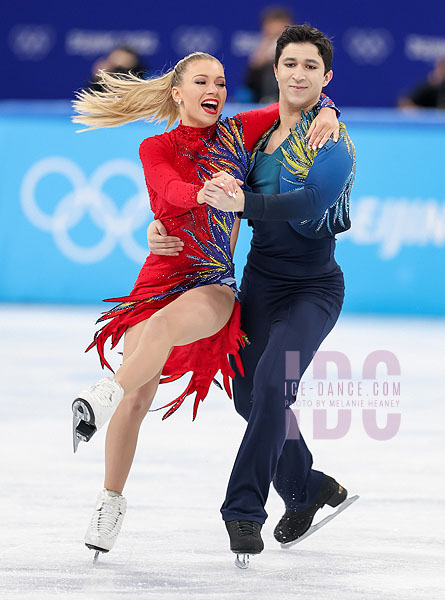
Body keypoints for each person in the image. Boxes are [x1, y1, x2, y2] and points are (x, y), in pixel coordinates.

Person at [70, 51, 340, 561]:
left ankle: (102, 393)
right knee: (137, 394)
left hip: (211, 281)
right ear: (178, 92)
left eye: (220, 80)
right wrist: (203, 194)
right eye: (201, 81)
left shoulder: (238, 134)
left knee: (168, 328)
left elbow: (298, 100)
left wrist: (328, 111)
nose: (214, 87)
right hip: (157, 279)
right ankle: (110, 500)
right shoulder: (156, 147)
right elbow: (169, 194)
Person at [148, 24, 356, 565]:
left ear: (326, 77)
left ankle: (243, 510)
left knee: (272, 384)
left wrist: (245, 204)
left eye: (312, 66)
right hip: (260, 285)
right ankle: (306, 485)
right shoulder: (249, 136)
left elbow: (311, 201)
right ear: (276, 69)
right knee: (248, 396)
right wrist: (156, 228)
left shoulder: (333, 140)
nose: (299, 74)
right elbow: (187, 172)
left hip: (313, 290)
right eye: (291, 64)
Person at [244, 6, 293, 103]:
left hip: (292, 93)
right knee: (269, 67)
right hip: (261, 95)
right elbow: (249, 82)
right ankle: (269, 100)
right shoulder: (262, 48)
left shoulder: (300, 48)